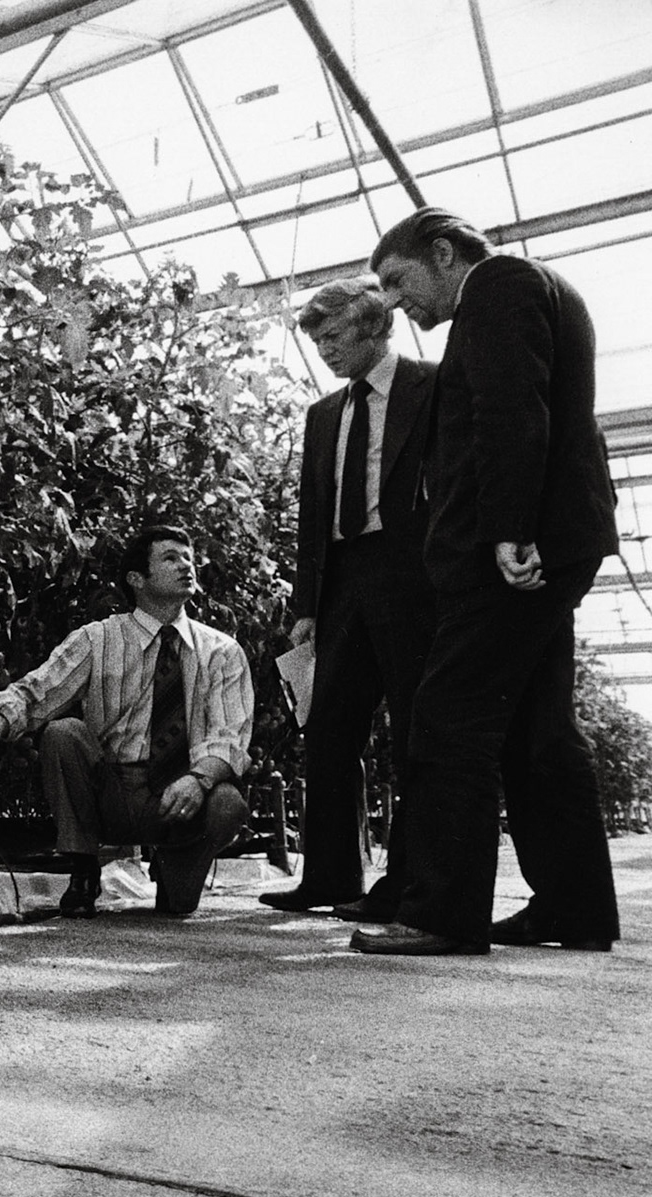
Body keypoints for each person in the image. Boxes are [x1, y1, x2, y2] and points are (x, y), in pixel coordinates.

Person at [350, 206, 620, 956]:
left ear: (443, 253)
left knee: (448, 714)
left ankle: (441, 914)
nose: (396, 304)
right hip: (552, 538)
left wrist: (508, 527)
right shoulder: (544, 285)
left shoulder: (497, 285)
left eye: (399, 281)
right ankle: (575, 908)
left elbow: (512, 411)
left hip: (515, 546)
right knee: (538, 729)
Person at [0, 525, 253, 916]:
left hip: (182, 798)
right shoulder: (98, 639)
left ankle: (178, 858)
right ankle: (82, 869)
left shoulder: (222, 651)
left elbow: (231, 735)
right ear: (136, 579)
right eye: (170, 557)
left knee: (227, 806)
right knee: (63, 733)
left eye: (188, 558)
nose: (186, 566)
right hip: (113, 791)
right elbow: (37, 691)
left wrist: (199, 780)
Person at [259, 278, 436, 920]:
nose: (325, 351)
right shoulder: (323, 414)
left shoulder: (432, 385)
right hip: (342, 583)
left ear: (372, 328)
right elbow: (312, 516)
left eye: (333, 336)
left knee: (419, 731)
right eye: (317, 340)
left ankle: (409, 884)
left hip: (412, 575)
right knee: (328, 729)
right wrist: (307, 606)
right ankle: (330, 879)